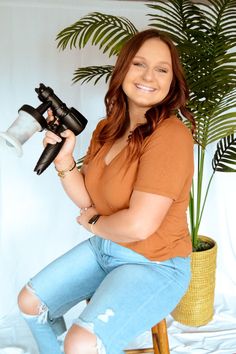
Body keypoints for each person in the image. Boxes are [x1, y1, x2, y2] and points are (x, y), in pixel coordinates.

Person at [18, 28, 195, 354]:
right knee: (30, 303)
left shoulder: (171, 135)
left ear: (172, 82)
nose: (148, 76)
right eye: (139, 64)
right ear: (123, 70)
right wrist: (65, 159)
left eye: (162, 69)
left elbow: (139, 226)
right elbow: (89, 200)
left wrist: (93, 224)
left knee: (81, 342)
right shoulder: (107, 128)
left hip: (154, 265)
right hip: (107, 249)